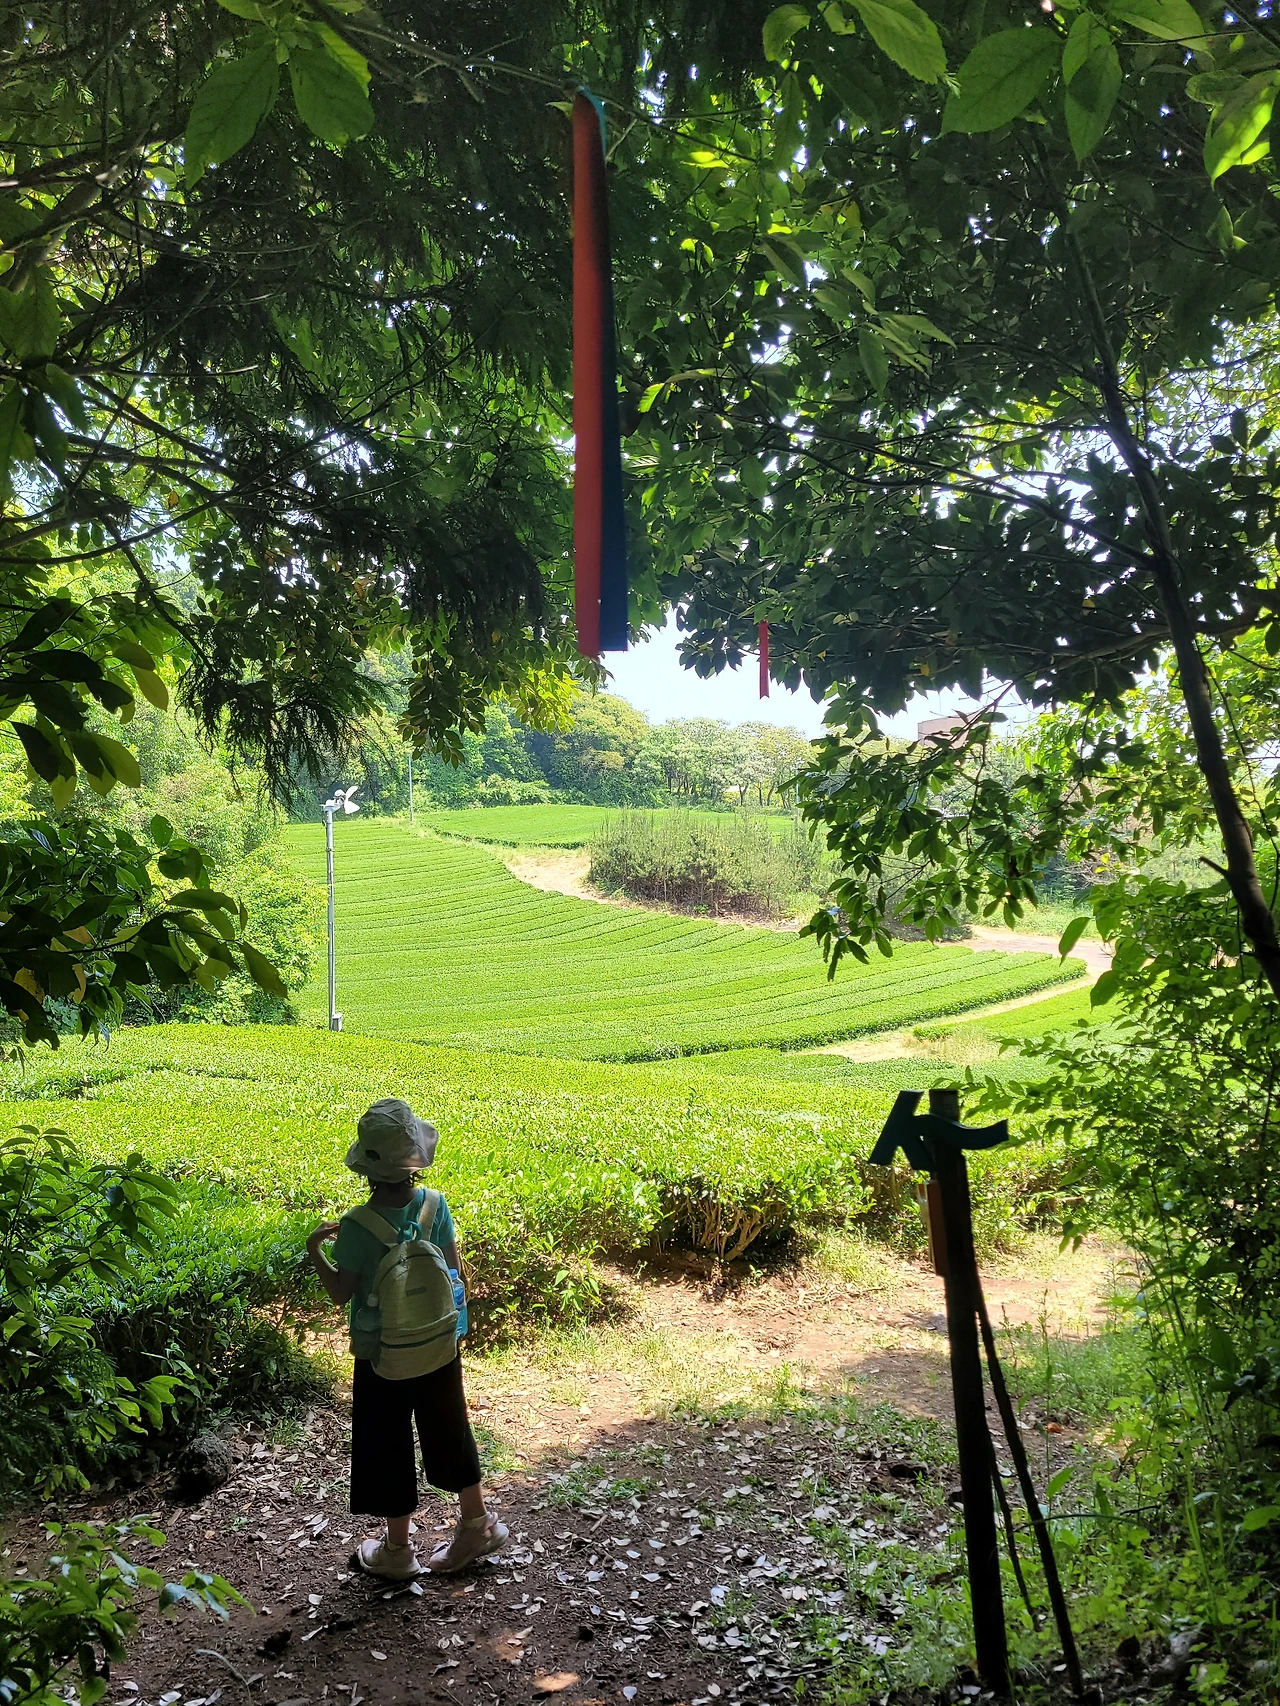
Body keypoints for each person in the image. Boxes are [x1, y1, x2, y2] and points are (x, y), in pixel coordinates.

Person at [306, 1098, 508, 1579]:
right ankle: (476, 1525)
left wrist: (316, 1249)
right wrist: (452, 1330)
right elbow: (454, 1274)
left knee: (385, 1440)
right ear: (414, 1159)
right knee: (450, 1427)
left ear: (367, 1168)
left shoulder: (356, 1225)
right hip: (438, 1343)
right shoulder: (436, 1205)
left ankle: (397, 1550)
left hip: (383, 1354)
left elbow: (340, 1293)